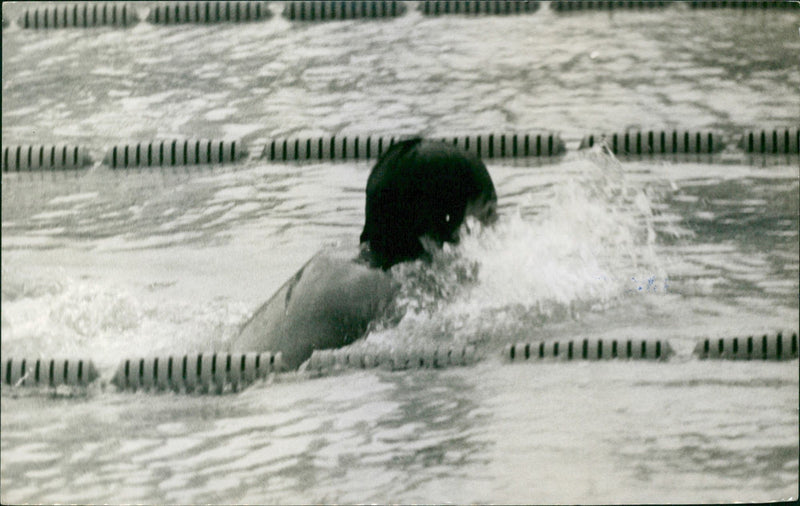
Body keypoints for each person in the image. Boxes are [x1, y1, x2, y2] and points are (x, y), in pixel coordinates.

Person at [231, 138, 498, 369]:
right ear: (430, 239)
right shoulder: (386, 291)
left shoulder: (338, 260)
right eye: (487, 217)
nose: (496, 231)